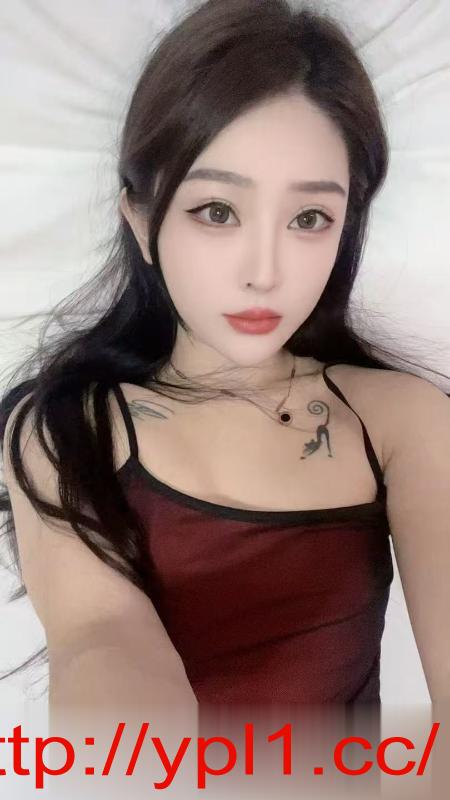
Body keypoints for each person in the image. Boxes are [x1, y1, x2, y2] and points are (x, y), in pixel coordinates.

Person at [1, 0, 449, 762]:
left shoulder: (398, 419)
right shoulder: (70, 426)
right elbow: (101, 643)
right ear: (142, 220)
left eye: (309, 219)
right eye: (217, 211)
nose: (264, 272)